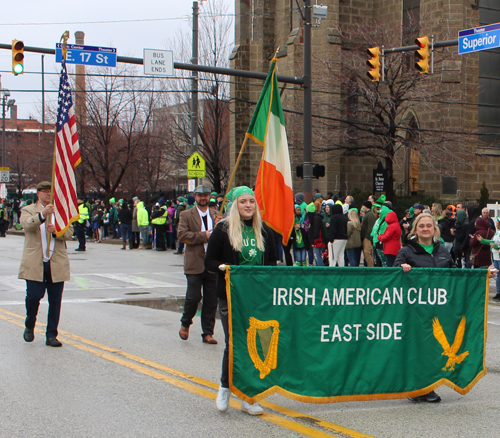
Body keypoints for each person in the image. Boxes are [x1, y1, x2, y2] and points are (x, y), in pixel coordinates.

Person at [205, 186, 277, 416]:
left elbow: (273, 265)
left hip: (258, 299)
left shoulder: (265, 231)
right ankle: (225, 387)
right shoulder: (222, 230)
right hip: (231, 297)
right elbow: (209, 261)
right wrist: (222, 268)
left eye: (252, 201)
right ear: (235, 205)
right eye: (243, 201)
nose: (248, 205)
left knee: (257, 345)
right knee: (234, 344)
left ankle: (250, 396)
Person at [394, 212, 455, 403]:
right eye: (422, 226)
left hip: (438, 310)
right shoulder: (407, 251)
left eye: (429, 225)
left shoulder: (443, 251)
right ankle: (417, 386)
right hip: (415, 311)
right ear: (415, 229)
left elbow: (457, 276)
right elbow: (392, 276)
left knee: (434, 349)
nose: (426, 229)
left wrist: (482, 274)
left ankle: (429, 385)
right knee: (417, 349)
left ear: (435, 229)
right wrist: (401, 269)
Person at [19, 181, 73, 347]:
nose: (48, 194)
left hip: (55, 262)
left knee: (55, 300)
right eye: (44, 191)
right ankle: (29, 325)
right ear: (38, 194)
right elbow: (27, 225)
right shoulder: (28, 210)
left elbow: (69, 233)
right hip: (36, 262)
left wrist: (56, 232)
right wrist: (42, 215)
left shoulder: (61, 212)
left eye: (50, 192)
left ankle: (51, 335)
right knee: (34, 297)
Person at [177, 185, 218, 344]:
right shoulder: (186, 214)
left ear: (209, 197)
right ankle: (185, 323)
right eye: (200, 195)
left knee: (211, 300)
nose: (203, 198)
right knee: (193, 297)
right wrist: (204, 236)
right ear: (195, 196)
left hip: (212, 263)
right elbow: (182, 235)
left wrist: (221, 227)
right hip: (194, 263)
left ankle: (208, 333)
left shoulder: (216, 215)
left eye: (206, 195)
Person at [477, 216, 500, 301]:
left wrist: (496, 246)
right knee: (497, 276)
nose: (496, 223)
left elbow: (496, 244)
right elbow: (492, 242)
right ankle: (498, 292)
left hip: (499, 257)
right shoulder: (497, 232)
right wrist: (482, 240)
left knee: (499, 276)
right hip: (496, 257)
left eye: (497, 221)